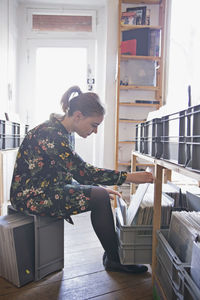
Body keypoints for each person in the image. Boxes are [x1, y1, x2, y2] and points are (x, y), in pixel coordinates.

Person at [10, 86, 154, 274]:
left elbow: (67, 174)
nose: (94, 131)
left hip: (45, 189)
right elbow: (83, 172)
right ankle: (114, 259)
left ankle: (113, 256)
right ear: (78, 116)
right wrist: (129, 177)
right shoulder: (51, 134)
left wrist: (96, 189)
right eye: (94, 125)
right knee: (99, 196)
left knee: (100, 195)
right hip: (29, 196)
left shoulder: (63, 132)